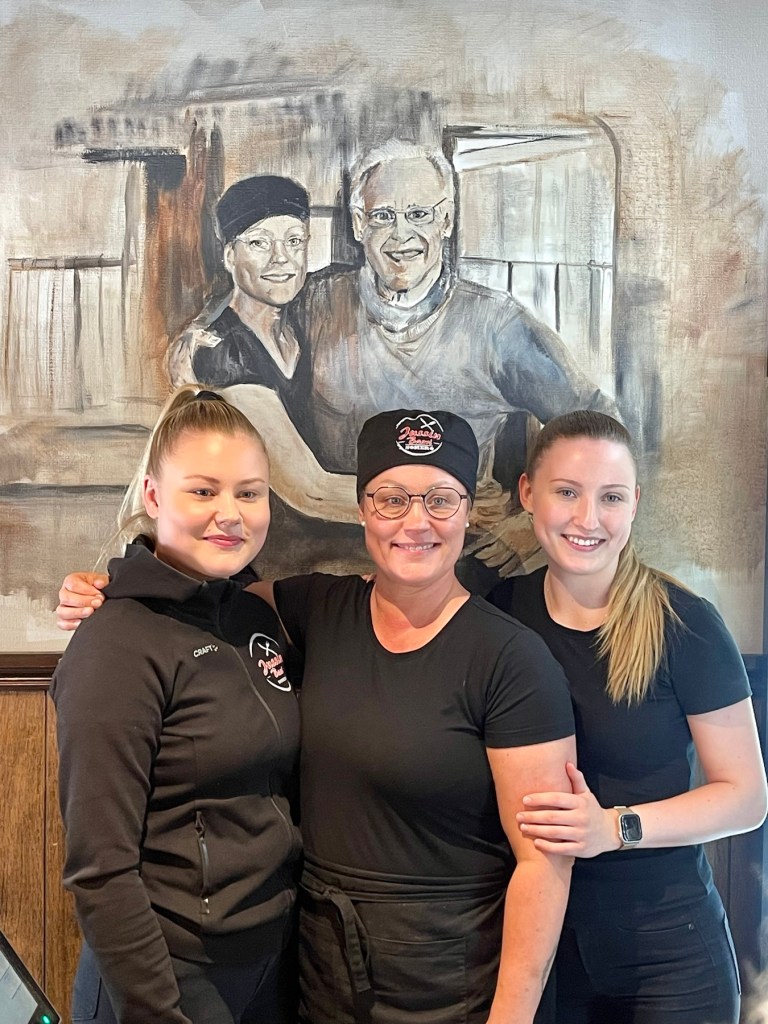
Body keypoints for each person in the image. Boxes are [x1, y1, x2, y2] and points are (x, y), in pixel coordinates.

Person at [57, 407, 577, 1024]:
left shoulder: (511, 658)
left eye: (441, 499)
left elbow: (544, 859)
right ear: (361, 510)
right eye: (391, 499)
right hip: (273, 976)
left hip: (436, 979)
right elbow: (100, 869)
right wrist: (113, 590)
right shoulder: (311, 610)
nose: (416, 521)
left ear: (469, 511)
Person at [486, 410, 767, 1024]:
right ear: (528, 493)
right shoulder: (498, 613)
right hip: (545, 949)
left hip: (672, 950)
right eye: (567, 492)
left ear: (634, 503)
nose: (588, 519)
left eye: (610, 497)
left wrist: (614, 828)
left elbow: (747, 797)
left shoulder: (686, 624)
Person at [51, 386, 301, 1024]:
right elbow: (99, 870)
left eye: (249, 493)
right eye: (203, 491)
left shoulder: (252, 617)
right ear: (154, 496)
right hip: (168, 975)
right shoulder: (116, 644)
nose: (230, 514)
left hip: (267, 960)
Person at [168, 174, 314, 443]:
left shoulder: (305, 320)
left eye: (294, 241)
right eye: (259, 243)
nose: (281, 258)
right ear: (230, 256)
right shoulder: (219, 353)